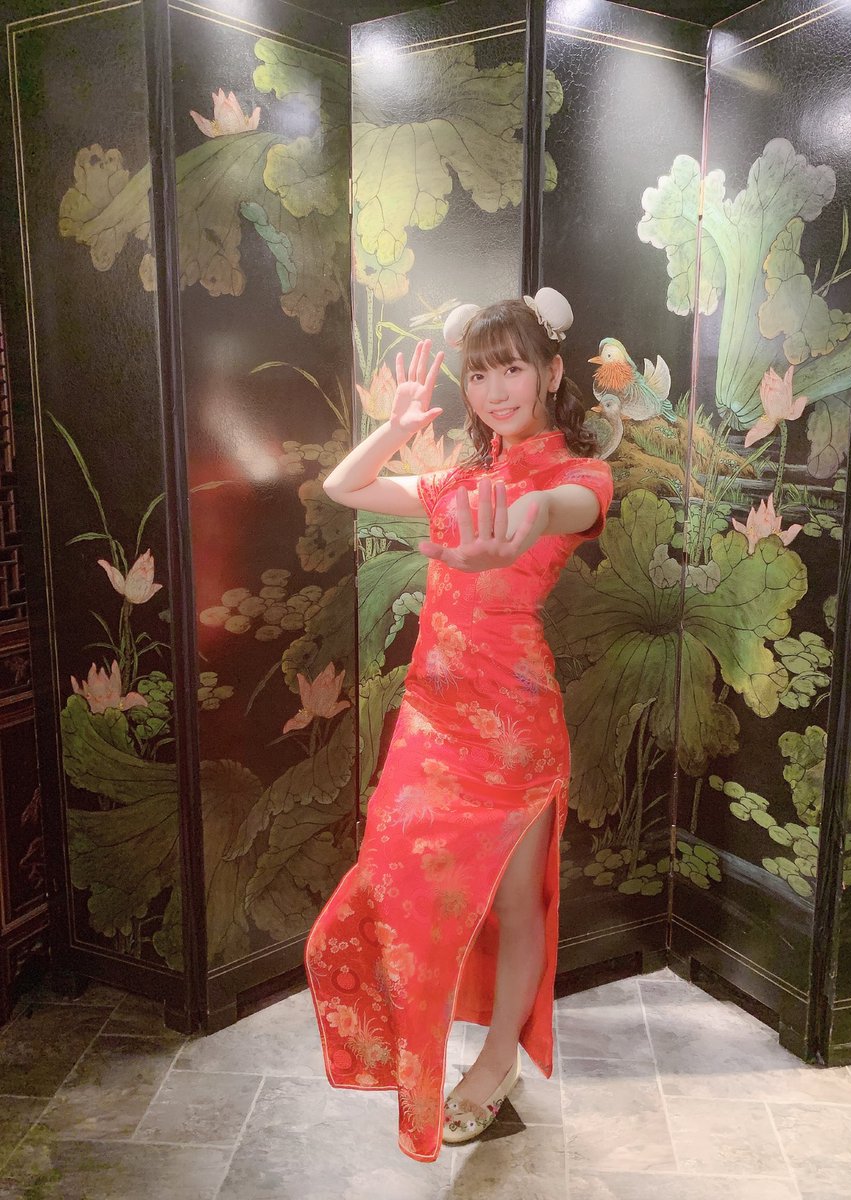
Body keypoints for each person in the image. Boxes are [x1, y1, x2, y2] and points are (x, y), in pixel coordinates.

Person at [304, 288, 614, 1162]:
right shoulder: (456, 484)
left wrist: (519, 526)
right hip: (431, 718)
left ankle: (497, 1061)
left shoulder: (581, 478)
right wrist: (398, 426)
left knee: (516, 904)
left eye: (511, 368)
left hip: (513, 724)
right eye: (478, 374)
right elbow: (344, 486)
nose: (493, 390)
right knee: (389, 871)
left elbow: (551, 512)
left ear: (550, 372)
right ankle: (411, 1049)